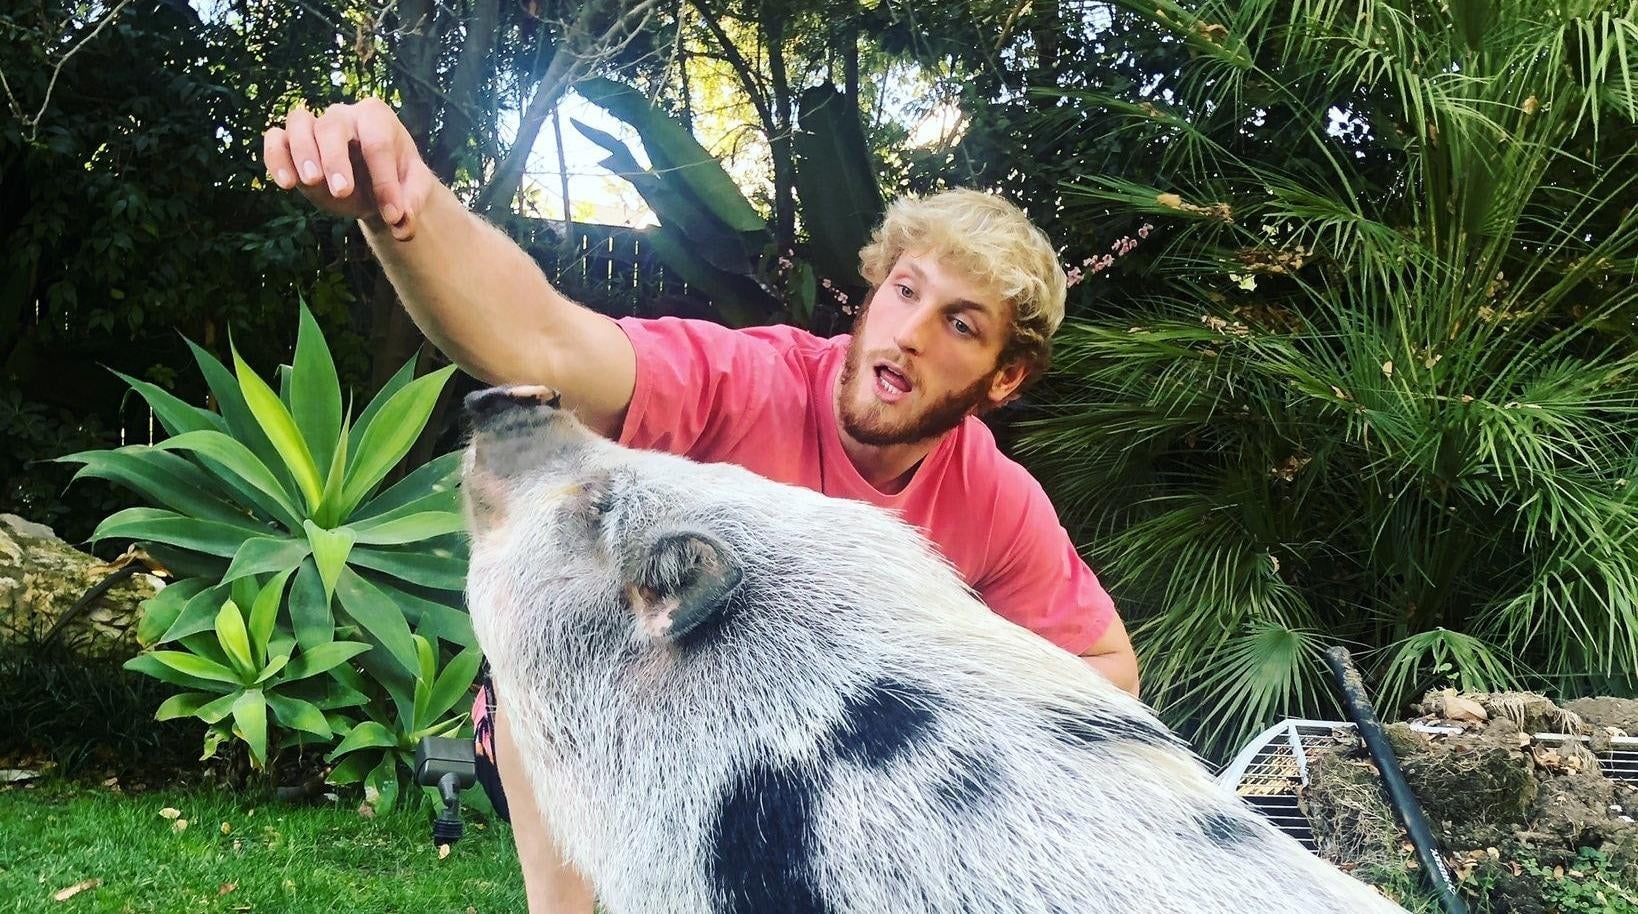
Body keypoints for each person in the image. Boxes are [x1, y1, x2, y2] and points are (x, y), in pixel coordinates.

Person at [263, 98, 1141, 913]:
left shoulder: (994, 498)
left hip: (806, 783)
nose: (909, 332)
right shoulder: (744, 381)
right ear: (875, 290)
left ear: (1005, 376)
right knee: (561, 641)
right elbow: (542, 340)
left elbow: (1107, 671)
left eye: (960, 323)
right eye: (906, 290)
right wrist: (402, 205)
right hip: (613, 727)